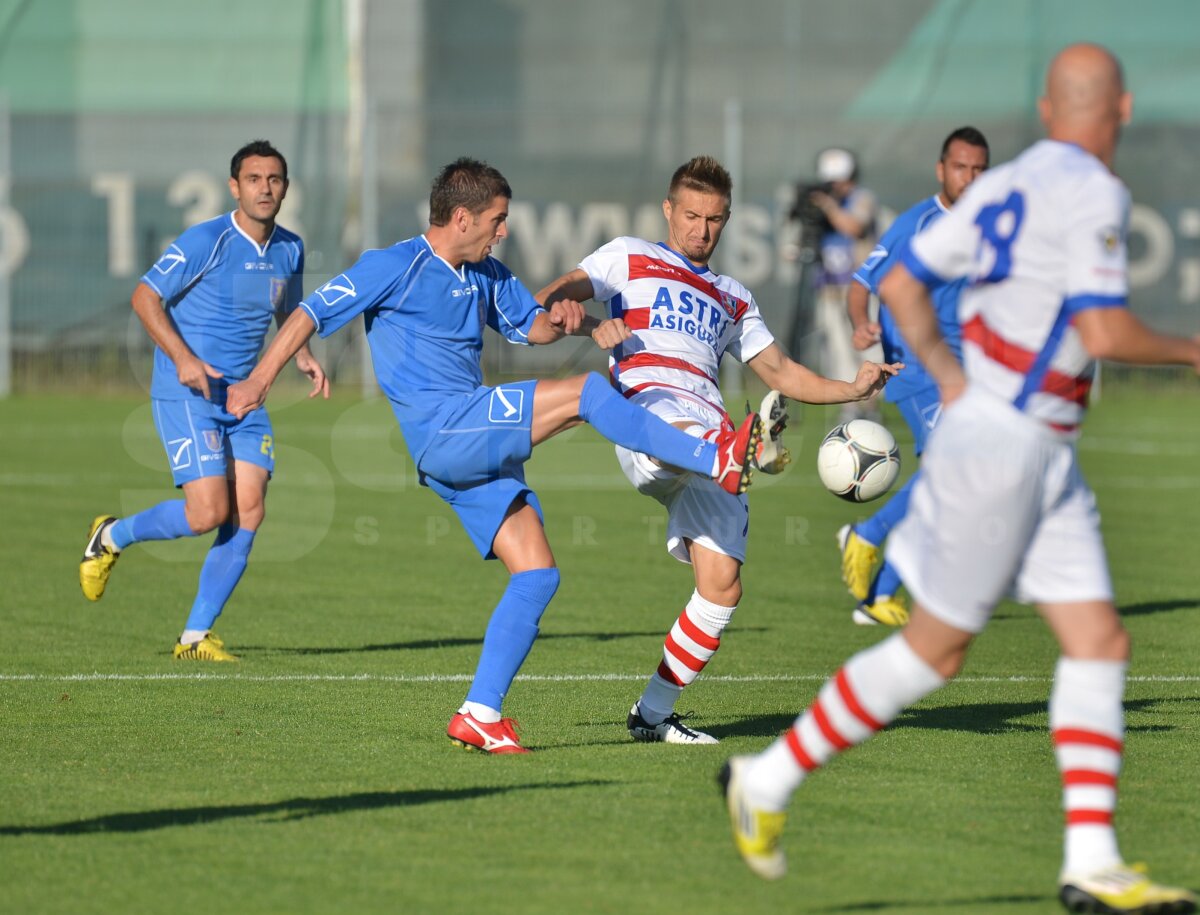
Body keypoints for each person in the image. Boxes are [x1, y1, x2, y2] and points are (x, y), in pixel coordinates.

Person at [720, 44, 1199, 914]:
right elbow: (1103, 330)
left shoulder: (1008, 183)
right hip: (1009, 447)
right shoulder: (1094, 191)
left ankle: (1092, 859)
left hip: (1035, 447)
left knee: (1098, 641)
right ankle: (768, 778)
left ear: (1050, 113)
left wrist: (944, 371)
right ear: (1121, 111)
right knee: (935, 650)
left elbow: (900, 282)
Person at [224, 157, 765, 754]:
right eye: (497, 220)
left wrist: (576, 323)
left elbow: (531, 327)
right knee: (587, 393)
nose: (503, 231)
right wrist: (258, 380)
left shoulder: (484, 274)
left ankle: (480, 712)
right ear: (462, 217)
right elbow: (309, 313)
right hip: (446, 427)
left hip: (469, 443)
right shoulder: (394, 266)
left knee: (537, 573)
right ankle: (716, 457)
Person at [536, 156, 900, 745]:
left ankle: (652, 716)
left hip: (713, 430)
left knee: (722, 586)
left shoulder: (733, 297)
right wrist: (572, 311)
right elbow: (561, 292)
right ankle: (738, 449)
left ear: (726, 220)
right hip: (650, 413)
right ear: (667, 210)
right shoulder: (629, 255)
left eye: (714, 219)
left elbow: (778, 369)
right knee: (679, 437)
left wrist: (851, 389)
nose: (701, 230)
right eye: (690, 215)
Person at [78, 140, 329, 662]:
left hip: (245, 395)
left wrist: (301, 353)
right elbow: (144, 297)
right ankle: (112, 534)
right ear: (234, 187)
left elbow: (289, 308)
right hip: (186, 391)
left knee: (250, 509)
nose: (265, 188)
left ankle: (194, 637)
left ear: (285, 187)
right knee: (208, 513)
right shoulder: (206, 240)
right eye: (254, 179)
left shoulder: (290, 247)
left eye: (275, 179)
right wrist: (186, 361)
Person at [838, 127, 990, 627]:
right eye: (960, 167)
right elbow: (862, 283)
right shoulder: (918, 224)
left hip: (964, 369)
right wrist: (861, 322)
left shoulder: (989, 223)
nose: (970, 178)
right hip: (919, 367)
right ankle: (868, 535)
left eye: (979, 169)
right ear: (941, 169)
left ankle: (878, 594)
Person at [801, 147, 881, 421]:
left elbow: (854, 227)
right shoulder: (820, 206)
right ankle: (850, 404)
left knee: (869, 346)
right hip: (830, 288)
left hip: (861, 289)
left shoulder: (862, 199)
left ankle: (871, 406)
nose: (836, 186)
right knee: (838, 349)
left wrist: (828, 206)